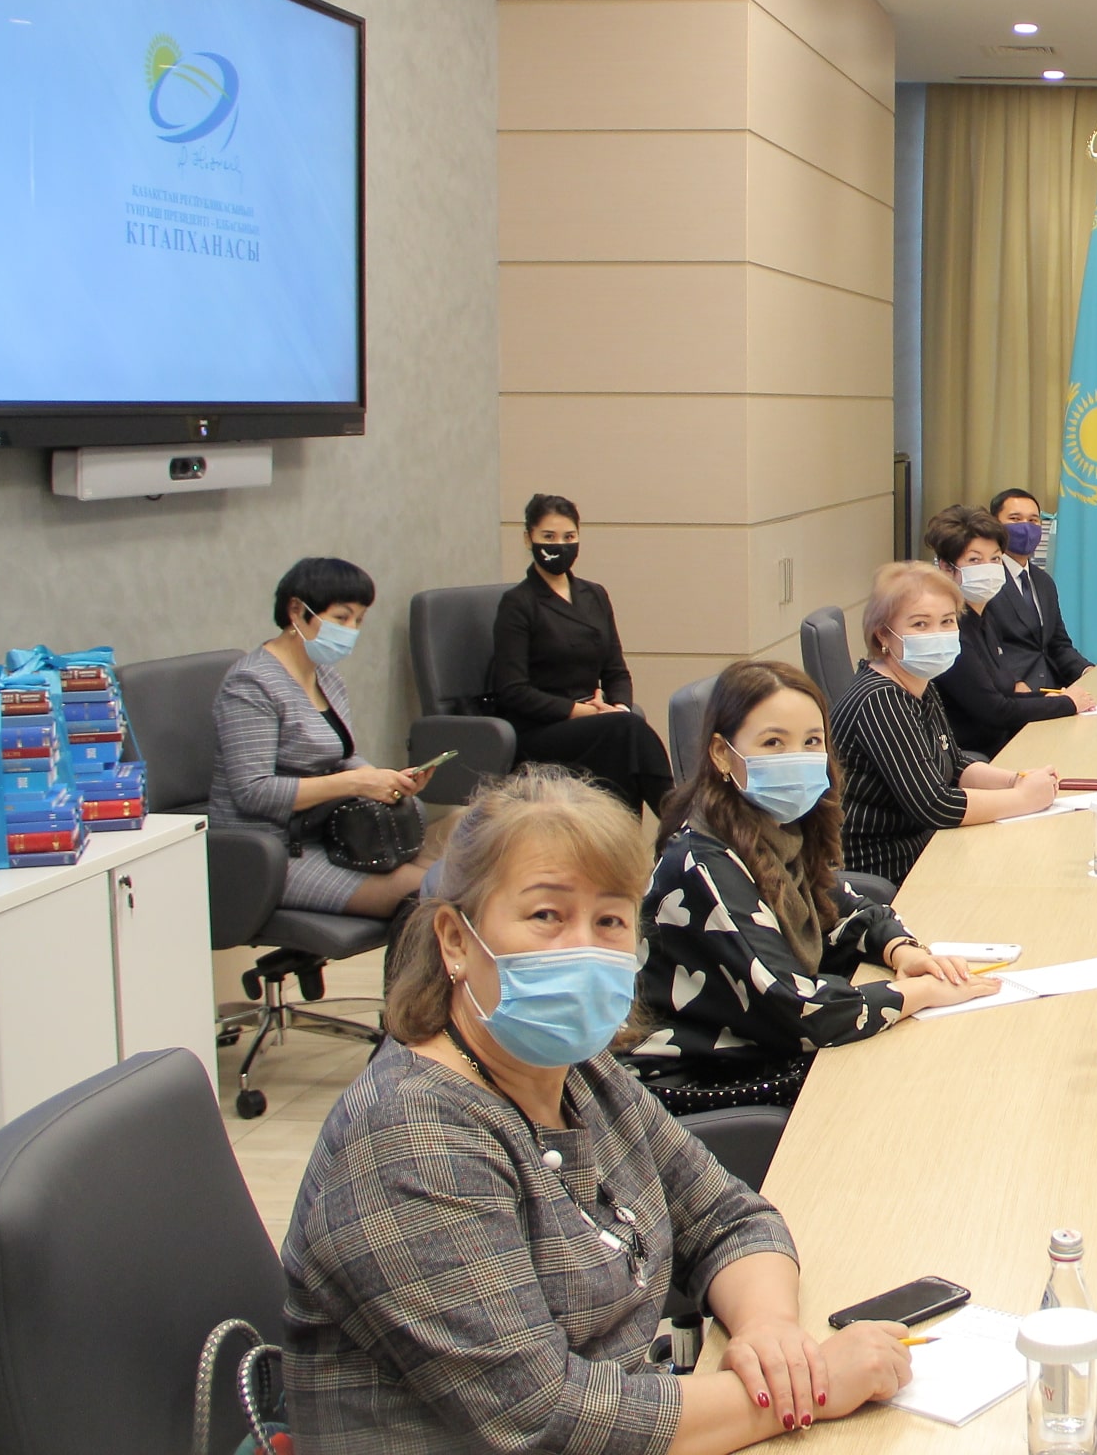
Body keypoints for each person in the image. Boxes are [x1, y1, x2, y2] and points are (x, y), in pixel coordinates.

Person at [282, 766, 916, 1452]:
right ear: (456, 941)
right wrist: (810, 1390)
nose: (583, 946)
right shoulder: (409, 1138)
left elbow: (729, 1217)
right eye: (547, 916)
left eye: (609, 920)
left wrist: (773, 1337)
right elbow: (548, 1418)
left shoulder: (579, 1073)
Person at [630, 660, 998, 1111]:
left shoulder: (774, 824)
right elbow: (800, 1010)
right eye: (773, 742)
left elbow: (840, 906)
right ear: (722, 754)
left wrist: (904, 952)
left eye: (811, 742)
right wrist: (919, 993)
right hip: (698, 1081)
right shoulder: (702, 865)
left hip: (761, 1049)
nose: (797, 757)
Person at [211, 557, 433, 917]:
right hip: (272, 850)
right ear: (296, 611)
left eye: (359, 620)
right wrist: (356, 783)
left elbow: (342, 755)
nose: (351, 630)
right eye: (341, 618)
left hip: (333, 834)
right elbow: (253, 790)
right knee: (431, 894)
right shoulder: (250, 684)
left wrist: (382, 779)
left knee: (458, 880)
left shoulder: (326, 676)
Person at [829, 561, 1060, 888]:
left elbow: (955, 762)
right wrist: (1023, 800)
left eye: (947, 621)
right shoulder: (880, 698)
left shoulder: (920, 684)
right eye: (920, 624)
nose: (937, 634)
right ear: (883, 634)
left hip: (924, 848)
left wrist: (1015, 781)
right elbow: (935, 805)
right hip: (883, 867)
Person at [490, 492, 676, 818]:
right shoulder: (518, 603)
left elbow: (616, 670)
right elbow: (512, 690)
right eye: (549, 537)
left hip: (598, 720)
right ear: (528, 538)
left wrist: (617, 706)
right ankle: (678, 819)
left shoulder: (595, 595)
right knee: (626, 731)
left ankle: (633, 841)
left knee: (624, 733)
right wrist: (583, 712)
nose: (559, 545)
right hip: (541, 730)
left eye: (569, 537)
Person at [926, 504, 1097, 760]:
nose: (988, 567)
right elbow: (994, 709)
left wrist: (1060, 696)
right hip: (977, 754)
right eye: (974, 560)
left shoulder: (982, 617)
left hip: (1007, 739)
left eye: (995, 559)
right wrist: (1066, 703)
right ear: (946, 568)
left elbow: (1007, 693)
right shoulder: (950, 628)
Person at [979, 488, 1093, 693]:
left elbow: (1058, 644)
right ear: (994, 524)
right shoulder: (985, 579)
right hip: (1011, 692)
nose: (1026, 527)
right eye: (1015, 519)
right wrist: (1013, 684)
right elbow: (984, 650)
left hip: (1054, 688)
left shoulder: (1044, 581)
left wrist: (1087, 671)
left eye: (1033, 520)